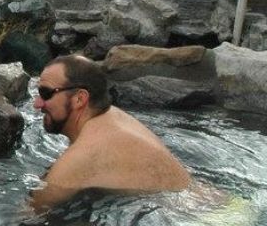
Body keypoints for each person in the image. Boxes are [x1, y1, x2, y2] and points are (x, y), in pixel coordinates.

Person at [28, 54, 191, 213]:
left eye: (46, 93)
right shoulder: (113, 116)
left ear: (79, 99)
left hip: (189, 217)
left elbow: (29, 218)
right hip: (204, 202)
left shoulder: (81, 157)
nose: (37, 103)